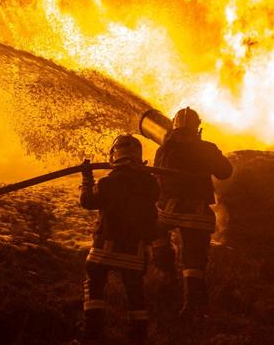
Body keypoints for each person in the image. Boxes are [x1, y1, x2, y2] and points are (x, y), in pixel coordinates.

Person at [151, 107, 232, 320]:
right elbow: (225, 172)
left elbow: (158, 179)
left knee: (155, 231)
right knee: (194, 260)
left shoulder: (165, 149)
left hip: (169, 210)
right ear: (198, 127)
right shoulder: (207, 148)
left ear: (174, 126)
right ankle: (193, 306)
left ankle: (166, 277)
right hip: (197, 213)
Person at [80, 134, 160, 344]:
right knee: (135, 292)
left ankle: (93, 332)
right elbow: (154, 199)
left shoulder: (108, 182)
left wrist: (86, 178)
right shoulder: (150, 183)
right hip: (134, 251)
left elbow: (87, 201)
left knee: (94, 284)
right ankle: (138, 336)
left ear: (114, 156)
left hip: (103, 248)